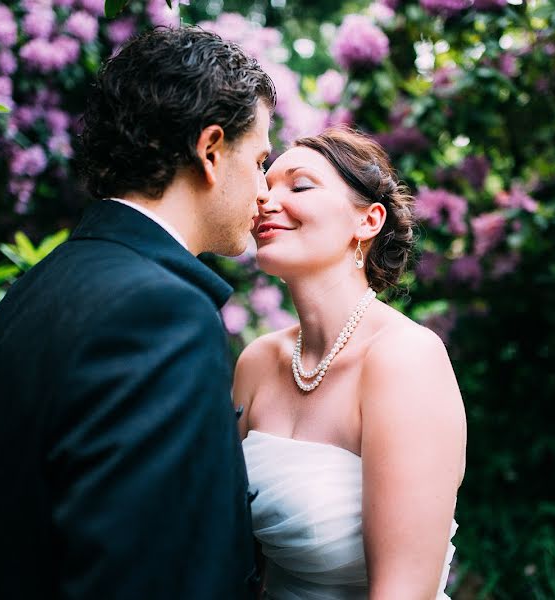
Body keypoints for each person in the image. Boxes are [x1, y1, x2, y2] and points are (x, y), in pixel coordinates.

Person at [0, 27, 275, 599]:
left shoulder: (36, 288)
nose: (266, 191)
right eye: (261, 160)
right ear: (212, 150)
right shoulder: (161, 311)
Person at [234, 127, 467, 599]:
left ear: (368, 221)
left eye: (299, 185)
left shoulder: (406, 360)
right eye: (266, 182)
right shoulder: (257, 362)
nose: (265, 199)